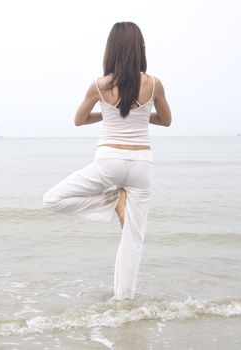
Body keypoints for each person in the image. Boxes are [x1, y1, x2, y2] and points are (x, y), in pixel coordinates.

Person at [42, 22, 172, 300]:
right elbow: (165, 120)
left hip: (109, 161)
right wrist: (136, 114)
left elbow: (79, 120)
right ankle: (124, 300)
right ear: (141, 49)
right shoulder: (154, 84)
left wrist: (110, 113)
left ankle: (113, 201)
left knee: (52, 200)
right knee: (133, 239)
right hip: (141, 166)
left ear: (110, 50)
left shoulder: (100, 86)